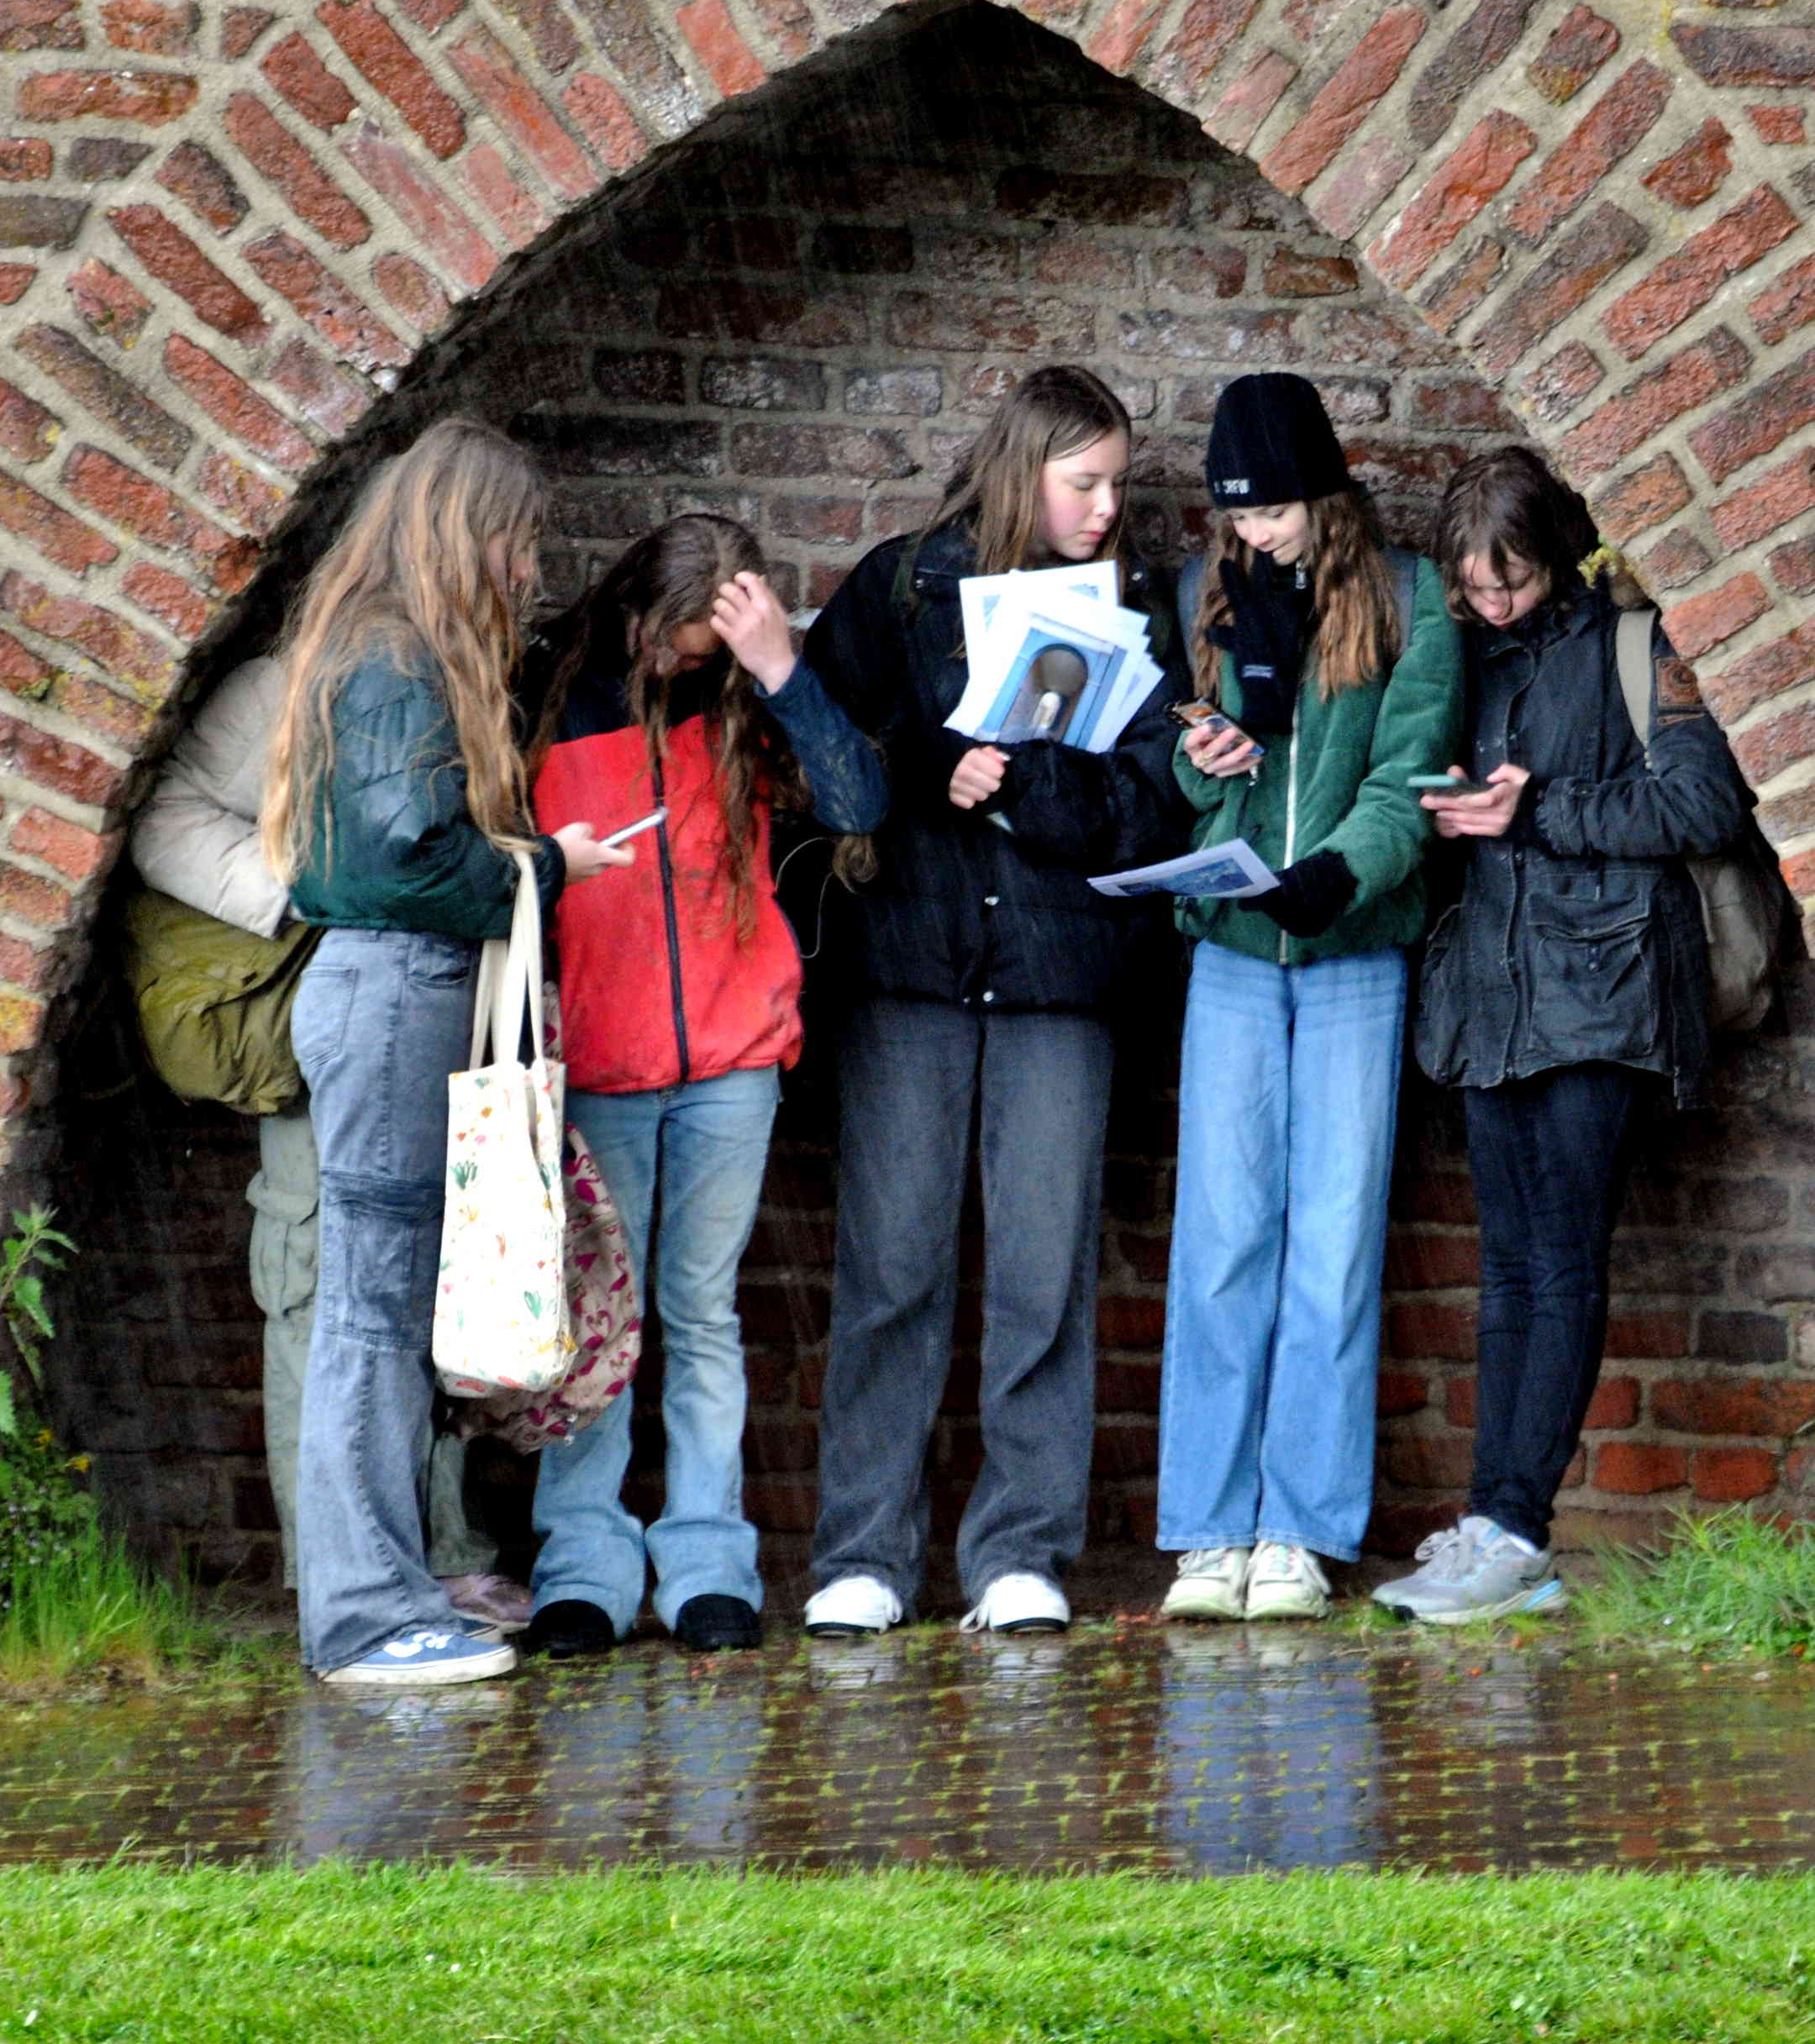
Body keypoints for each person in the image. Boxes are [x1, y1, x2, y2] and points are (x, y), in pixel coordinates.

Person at [797, 364, 1187, 1637]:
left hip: (1061, 981)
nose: (1105, 508)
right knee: (891, 1269)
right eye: (1084, 483)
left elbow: (1157, 801)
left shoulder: (1134, 607)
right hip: (906, 972)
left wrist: (1026, 783)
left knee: (1043, 1277)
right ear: (1024, 471)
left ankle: (1023, 1550)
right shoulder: (899, 589)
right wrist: (931, 769)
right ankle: (864, 1554)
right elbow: (820, 756)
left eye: (1117, 484)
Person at [261, 416, 631, 1689]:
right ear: (465, 531)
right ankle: (366, 1620)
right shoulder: (392, 657)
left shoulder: (381, 646)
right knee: (369, 1315)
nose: (528, 569)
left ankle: (387, 1599)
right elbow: (412, 855)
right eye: (518, 541)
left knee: (382, 1313)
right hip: (391, 991)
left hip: (396, 992)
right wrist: (547, 865)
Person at [1377, 444, 1744, 1626]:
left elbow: (1703, 803)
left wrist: (1537, 807)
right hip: (1491, 996)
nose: (1494, 606)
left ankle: (1517, 1532)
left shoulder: (1635, 645)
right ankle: (1490, 1525)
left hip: (1609, 994)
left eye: (1515, 583)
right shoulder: (1461, 657)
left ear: (1561, 556)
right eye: (1473, 588)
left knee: (1563, 1262)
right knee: (1508, 1270)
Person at [520, 515, 887, 1661]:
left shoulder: (748, 698)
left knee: (701, 1313)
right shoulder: (552, 694)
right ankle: (581, 1567)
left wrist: (779, 668)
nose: (676, 668)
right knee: (594, 1321)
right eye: (668, 644)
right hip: (600, 1059)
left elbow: (860, 803)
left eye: (700, 655)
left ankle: (707, 1564)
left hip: (731, 1058)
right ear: (633, 608)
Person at [126, 655, 529, 1636]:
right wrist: (319, 891)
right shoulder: (293, 679)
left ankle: (445, 1557)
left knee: (439, 1285)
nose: (521, 584)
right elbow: (167, 823)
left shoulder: (470, 679)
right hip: (324, 1031)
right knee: (324, 1289)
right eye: (505, 570)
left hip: (435, 1018)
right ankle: (344, 1579)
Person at [1154, 372, 1462, 1626]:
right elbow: (1183, 771)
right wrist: (1205, 757)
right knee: (1221, 1240)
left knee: (1333, 1242)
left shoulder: (1411, 598)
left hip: (1350, 950)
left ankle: (1301, 1532)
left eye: (1274, 510)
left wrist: (1333, 878)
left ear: (1326, 494)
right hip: (1232, 950)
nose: (1257, 533)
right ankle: (1207, 1530)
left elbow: (1411, 776)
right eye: (1239, 514)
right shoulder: (1207, 592)